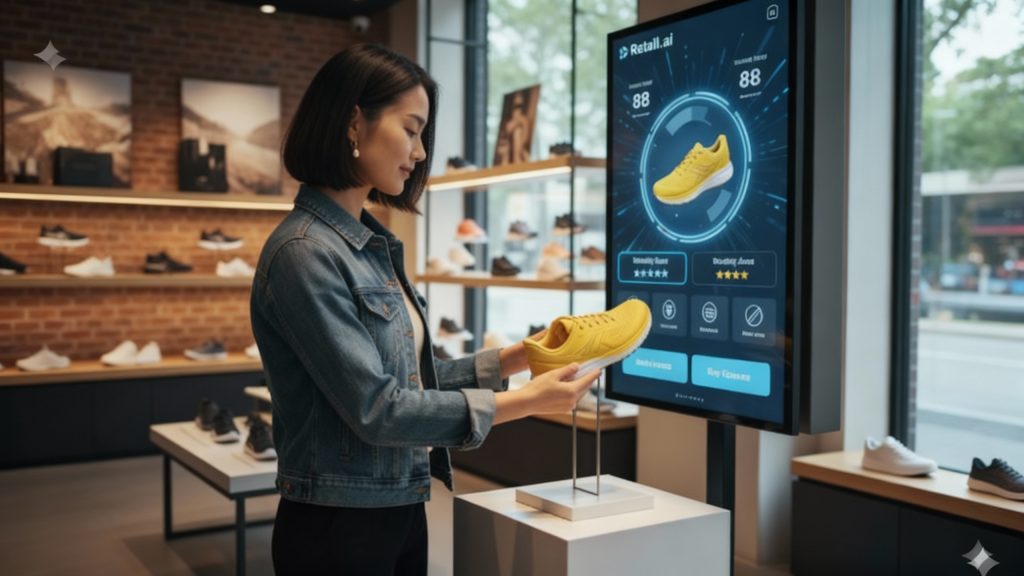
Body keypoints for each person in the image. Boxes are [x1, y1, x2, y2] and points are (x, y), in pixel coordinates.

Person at [251, 44, 601, 576]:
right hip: (336, 527)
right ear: (352, 123)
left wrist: (517, 357)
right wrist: (526, 402)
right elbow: (379, 408)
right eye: (411, 129)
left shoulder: (370, 245)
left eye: (422, 135)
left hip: (398, 505)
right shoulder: (305, 252)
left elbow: (409, 381)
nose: (419, 153)